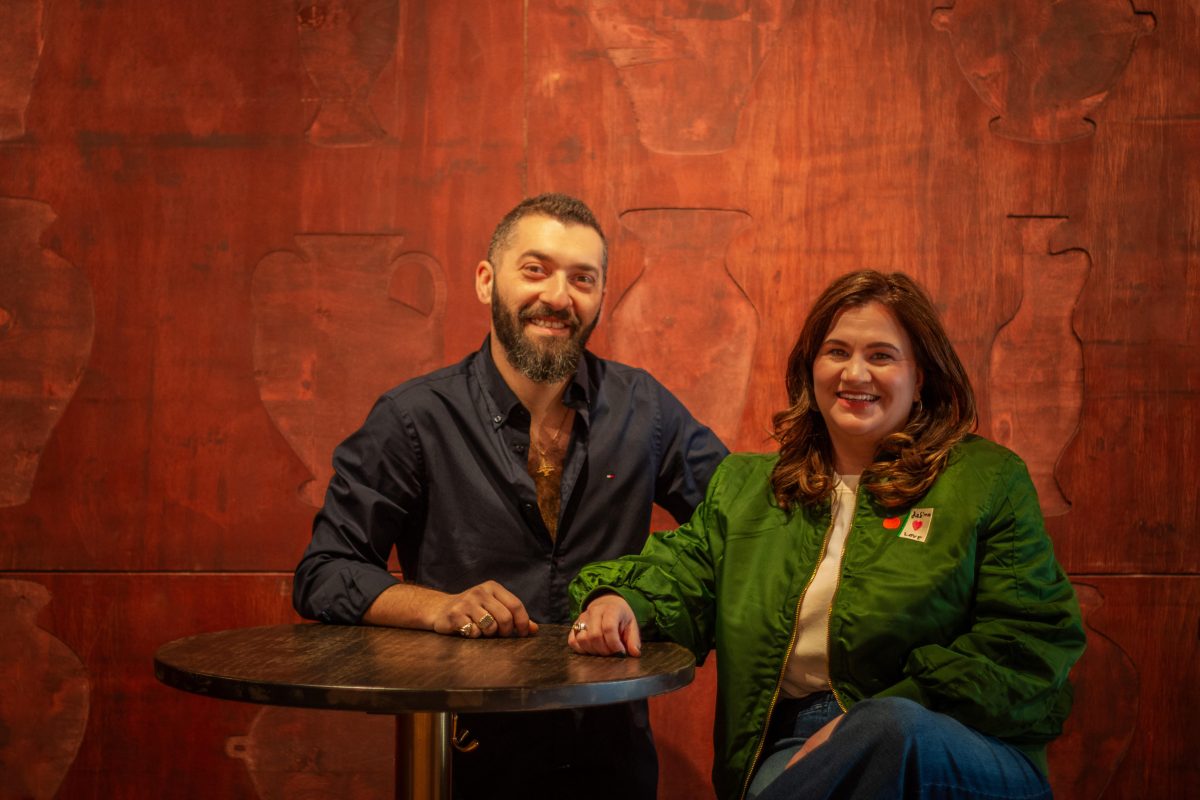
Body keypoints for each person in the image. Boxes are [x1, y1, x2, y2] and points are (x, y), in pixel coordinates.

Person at [567, 270, 1085, 800]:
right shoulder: (750, 487)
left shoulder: (986, 479)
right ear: (811, 367)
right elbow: (683, 572)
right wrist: (621, 599)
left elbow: (1029, 639)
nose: (854, 373)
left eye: (881, 356)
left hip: (960, 741)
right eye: (836, 352)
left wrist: (873, 720)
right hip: (798, 737)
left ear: (922, 375)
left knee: (889, 730)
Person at [292, 192, 727, 799]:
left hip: (612, 760)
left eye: (583, 278)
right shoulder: (413, 417)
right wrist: (436, 607)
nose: (557, 296)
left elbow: (737, 528)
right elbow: (323, 573)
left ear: (602, 295)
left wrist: (637, 594)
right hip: (466, 761)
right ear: (485, 281)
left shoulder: (645, 409)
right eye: (535, 269)